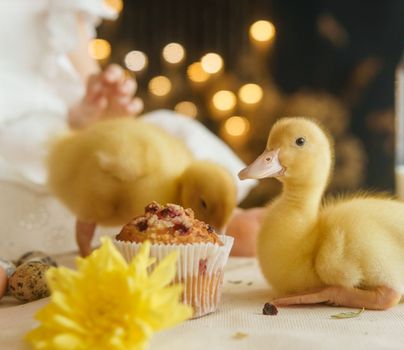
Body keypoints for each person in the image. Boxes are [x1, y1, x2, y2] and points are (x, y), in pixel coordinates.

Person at [0, 0, 260, 260]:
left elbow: (84, 79)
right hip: (25, 139)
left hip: (73, 126)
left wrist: (99, 106)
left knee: (170, 126)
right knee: (35, 150)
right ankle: (198, 233)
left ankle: (213, 229)